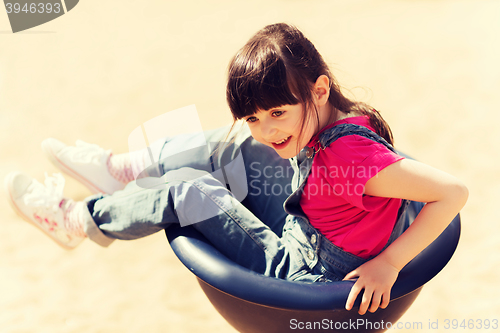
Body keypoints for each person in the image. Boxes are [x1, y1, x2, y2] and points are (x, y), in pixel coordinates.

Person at [4, 23, 468, 315]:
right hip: (311, 228)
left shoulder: (351, 157)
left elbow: (452, 192)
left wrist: (388, 264)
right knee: (237, 148)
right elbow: (277, 138)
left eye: (277, 114)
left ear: (320, 90)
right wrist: (264, 128)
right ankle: (121, 170)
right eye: (253, 116)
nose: (266, 129)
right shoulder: (330, 120)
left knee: (189, 190)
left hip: (308, 272)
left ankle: (79, 221)